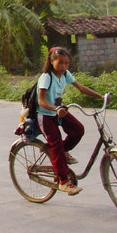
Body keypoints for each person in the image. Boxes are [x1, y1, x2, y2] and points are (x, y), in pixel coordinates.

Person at [37, 46, 104, 195]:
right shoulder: (46, 77)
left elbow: (81, 88)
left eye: (67, 63)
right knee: (56, 144)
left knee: (78, 130)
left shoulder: (65, 74)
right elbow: (41, 101)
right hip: (45, 114)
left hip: (59, 111)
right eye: (60, 63)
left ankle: (62, 151)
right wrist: (55, 109)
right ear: (51, 61)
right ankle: (63, 182)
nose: (64, 66)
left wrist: (100, 97)